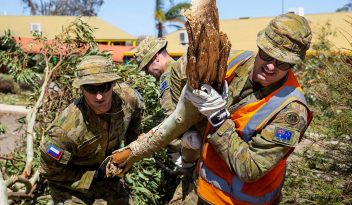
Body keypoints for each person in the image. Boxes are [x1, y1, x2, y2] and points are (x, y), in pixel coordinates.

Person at [109, 13, 312, 205]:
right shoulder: (234, 61)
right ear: (260, 46)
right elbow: (185, 64)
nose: (271, 66)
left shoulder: (291, 111)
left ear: (294, 64)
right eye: (267, 55)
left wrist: (219, 119)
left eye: (283, 63)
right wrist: (187, 129)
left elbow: (251, 168)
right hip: (202, 188)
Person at [39, 55, 144, 205]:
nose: (99, 96)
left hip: (108, 179)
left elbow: (136, 117)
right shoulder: (63, 132)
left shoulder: (128, 99)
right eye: (91, 88)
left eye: (104, 86)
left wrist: (130, 152)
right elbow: (50, 172)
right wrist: (92, 176)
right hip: (70, 188)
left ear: (113, 83)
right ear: (81, 88)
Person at [133, 37, 202, 204]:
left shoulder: (169, 77)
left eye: (147, 66)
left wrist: (180, 155)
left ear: (157, 56)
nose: (146, 73)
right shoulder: (183, 67)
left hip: (196, 155)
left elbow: (173, 122)